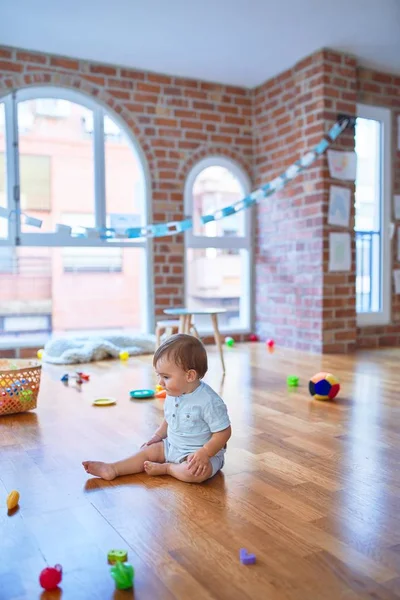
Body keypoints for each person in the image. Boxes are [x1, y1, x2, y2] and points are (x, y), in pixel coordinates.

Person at [82, 334, 231, 483]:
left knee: (194, 473)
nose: (160, 382)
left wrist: (205, 452)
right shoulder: (174, 393)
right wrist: (158, 436)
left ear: (190, 375)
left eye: (166, 377)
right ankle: (113, 468)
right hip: (171, 446)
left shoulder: (209, 401)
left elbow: (223, 432)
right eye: (159, 376)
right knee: (146, 451)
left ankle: (168, 468)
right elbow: (169, 419)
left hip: (200, 456)